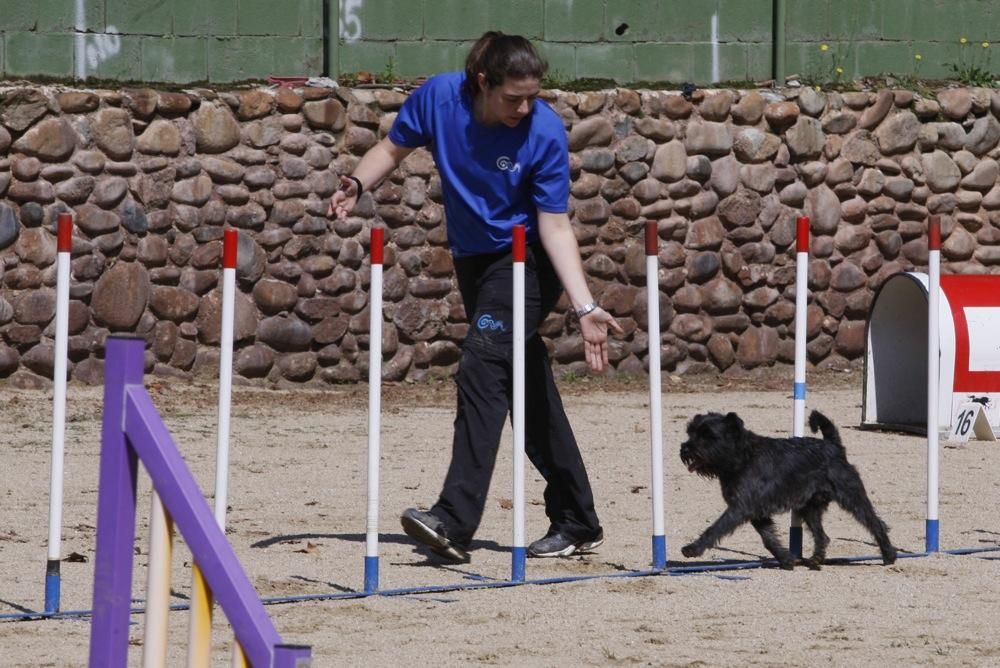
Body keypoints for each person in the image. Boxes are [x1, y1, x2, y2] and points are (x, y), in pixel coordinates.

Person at [329, 31, 622, 563]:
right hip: (475, 260)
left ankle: (453, 519)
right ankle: (578, 519)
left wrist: (584, 307)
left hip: (525, 263)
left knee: (482, 367)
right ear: (482, 82)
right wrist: (356, 182)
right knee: (525, 386)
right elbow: (393, 147)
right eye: (513, 97)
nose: (524, 107)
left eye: (532, 95)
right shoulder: (440, 98)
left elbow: (555, 226)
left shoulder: (545, 133)